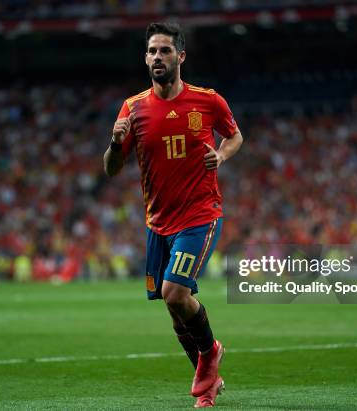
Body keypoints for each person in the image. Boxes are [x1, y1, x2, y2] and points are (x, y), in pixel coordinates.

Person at [103, 22, 243, 408]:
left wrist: (222, 155)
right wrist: (115, 145)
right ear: (145, 58)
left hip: (199, 214)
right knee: (174, 309)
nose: (157, 57)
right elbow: (111, 168)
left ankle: (210, 355)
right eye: (151, 51)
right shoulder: (133, 109)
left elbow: (234, 136)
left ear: (180, 56)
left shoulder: (208, 101)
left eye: (165, 50)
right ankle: (209, 377)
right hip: (157, 223)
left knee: (175, 292)